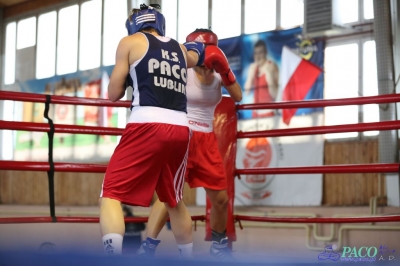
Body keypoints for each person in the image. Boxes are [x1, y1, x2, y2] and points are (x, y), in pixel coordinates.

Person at [99, 3, 206, 258]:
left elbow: (113, 94)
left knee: (111, 194)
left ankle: (112, 259)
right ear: (160, 24)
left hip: (146, 125)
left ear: (134, 24)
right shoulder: (180, 48)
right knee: (173, 200)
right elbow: (199, 54)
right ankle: (187, 259)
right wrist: (199, 45)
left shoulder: (129, 42)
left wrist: (127, 77)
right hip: (181, 129)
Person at [136, 29, 242, 260]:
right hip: (182, 135)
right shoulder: (182, 70)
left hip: (207, 140)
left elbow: (238, 96)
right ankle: (148, 246)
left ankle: (218, 245)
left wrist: (225, 69)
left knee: (221, 199)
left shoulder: (218, 75)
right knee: (170, 196)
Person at [244, 39, 279, 118]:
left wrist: (269, 76)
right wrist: (251, 75)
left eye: (260, 52)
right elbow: (247, 92)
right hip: (256, 112)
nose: (258, 56)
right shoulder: (253, 68)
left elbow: (275, 95)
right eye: (256, 53)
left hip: (269, 111)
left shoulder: (271, 66)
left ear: (265, 52)